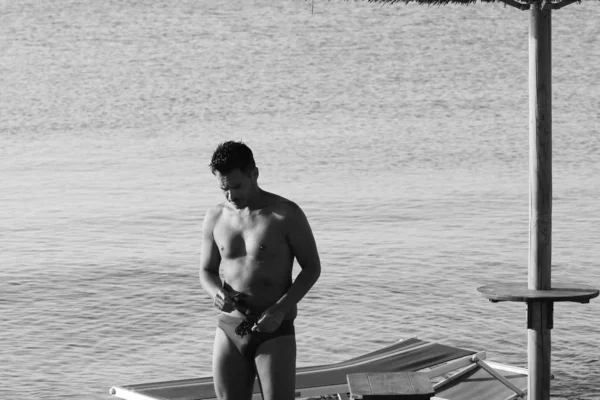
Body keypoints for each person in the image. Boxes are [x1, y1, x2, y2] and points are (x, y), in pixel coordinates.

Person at [199, 141, 321, 400]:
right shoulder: (215, 217)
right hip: (230, 327)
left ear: (254, 174)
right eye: (224, 188)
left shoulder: (285, 214)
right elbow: (207, 270)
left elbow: (311, 268)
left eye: (237, 186)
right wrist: (215, 293)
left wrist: (280, 309)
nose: (231, 195)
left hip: (274, 329)